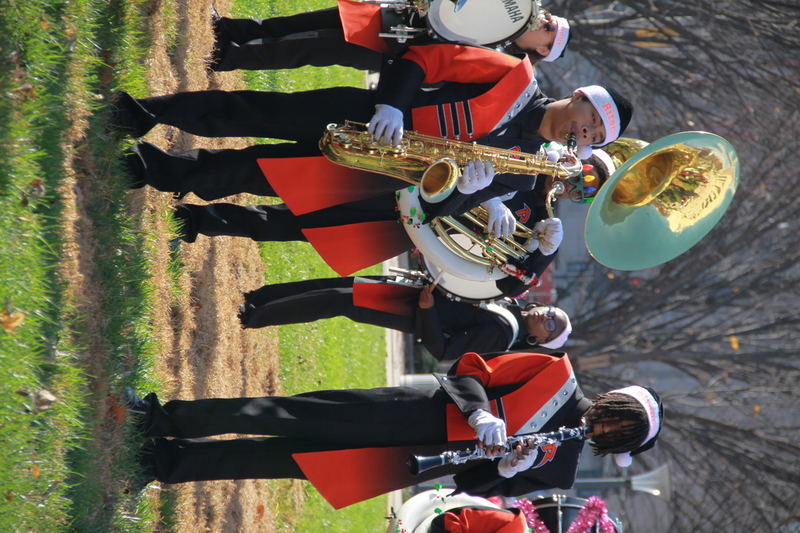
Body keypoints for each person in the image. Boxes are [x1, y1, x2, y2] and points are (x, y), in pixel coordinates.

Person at [125, 351, 663, 509]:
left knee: (276, 462)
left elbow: (472, 492)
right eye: (621, 416)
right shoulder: (557, 374)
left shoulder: (563, 469)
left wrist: (503, 468)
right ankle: (161, 417)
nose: (612, 426)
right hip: (410, 411)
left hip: (408, 460)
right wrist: (480, 414)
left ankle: (164, 465)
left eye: (623, 433)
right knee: (281, 413)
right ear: (614, 401)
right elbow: (473, 369)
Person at [168, 148, 615, 294]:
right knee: (282, 178)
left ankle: (198, 220)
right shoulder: (531, 152)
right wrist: (488, 194)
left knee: (287, 227)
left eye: (592, 192)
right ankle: (182, 171)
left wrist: (542, 254)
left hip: (403, 225)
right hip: (398, 177)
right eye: (589, 173)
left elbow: (512, 287)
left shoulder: (542, 218)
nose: (581, 186)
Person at [237, 277, 573, 359]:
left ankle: (253, 317)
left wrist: (427, 311)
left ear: (540, 341)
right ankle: (258, 297)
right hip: (410, 287)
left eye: (551, 325)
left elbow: (444, 350)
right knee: (336, 285)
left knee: (335, 301)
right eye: (553, 313)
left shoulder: (503, 338)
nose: (547, 316)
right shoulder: (511, 303)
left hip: (410, 310)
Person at [210, 3, 572, 72]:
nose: (546, 20)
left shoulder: (507, 62)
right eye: (552, 19)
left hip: (394, 46)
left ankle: (226, 58)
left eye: (550, 29)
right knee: (298, 23)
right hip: (396, 16)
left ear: (543, 48)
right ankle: (229, 30)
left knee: (305, 47)